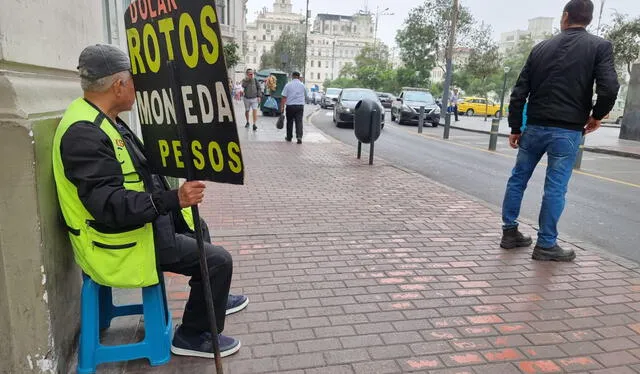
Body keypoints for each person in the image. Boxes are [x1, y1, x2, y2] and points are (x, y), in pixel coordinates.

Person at [52, 44, 249, 359]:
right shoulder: (84, 134)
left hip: (131, 229)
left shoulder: (105, 118)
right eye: (133, 80)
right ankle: (191, 335)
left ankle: (211, 301)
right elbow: (109, 206)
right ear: (119, 85)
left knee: (196, 224)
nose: (137, 88)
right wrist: (173, 198)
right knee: (219, 260)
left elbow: (140, 169)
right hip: (116, 241)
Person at [500, 0, 619, 262]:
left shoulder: (541, 48)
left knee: (517, 179)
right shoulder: (599, 47)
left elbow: (519, 92)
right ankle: (545, 245)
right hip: (567, 130)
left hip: (534, 127)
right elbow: (609, 87)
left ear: (565, 16)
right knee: (555, 188)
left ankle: (510, 233)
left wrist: (515, 127)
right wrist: (597, 116)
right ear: (587, 19)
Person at [280, 71, 306, 144]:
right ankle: (299, 137)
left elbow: (284, 97)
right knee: (299, 121)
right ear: (298, 77)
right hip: (300, 106)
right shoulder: (302, 85)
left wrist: (282, 107)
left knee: (290, 122)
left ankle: (289, 137)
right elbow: (305, 95)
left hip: (290, 106)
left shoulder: (288, 85)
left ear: (292, 76)